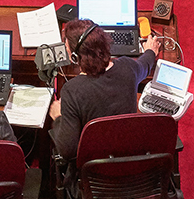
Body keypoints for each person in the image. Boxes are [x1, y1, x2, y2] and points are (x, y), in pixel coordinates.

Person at [50, 19, 156, 161]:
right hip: (129, 164)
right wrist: (150, 51)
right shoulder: (128, 67)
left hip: (94, 174)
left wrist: (58, 118)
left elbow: (68, 151)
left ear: (74, 57)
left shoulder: (72, 90)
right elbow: (145, 64)